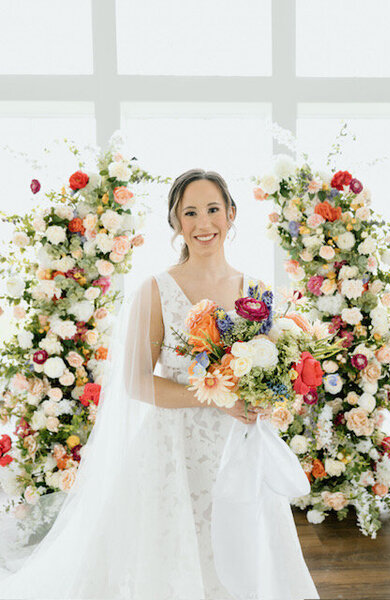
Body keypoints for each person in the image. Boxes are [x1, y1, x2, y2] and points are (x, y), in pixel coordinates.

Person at [0, 168, 320, 599]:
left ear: (231, 214)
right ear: (176, 223)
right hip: (175, 449)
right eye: (190, 213)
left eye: (212, 210)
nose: (203, 224)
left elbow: (269, 369)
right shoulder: (156, 291)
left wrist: (264, 396)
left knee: (245, 552)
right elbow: (136, 384)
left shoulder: (259, 292)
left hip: (240, 448)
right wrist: (215, 399)